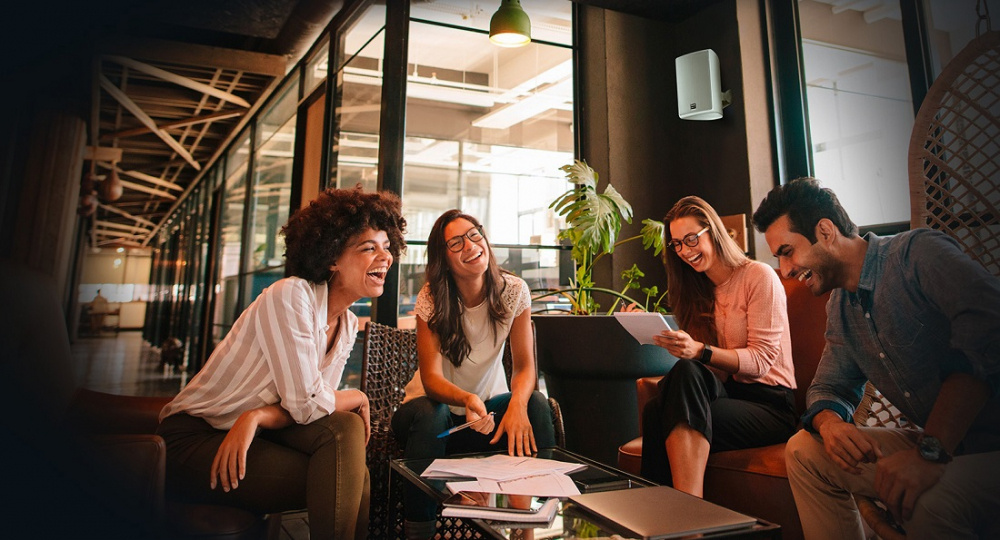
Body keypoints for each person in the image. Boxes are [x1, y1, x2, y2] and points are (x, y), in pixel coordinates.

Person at [752, 177, 1000, 540]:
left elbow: (989, 328)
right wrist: (831, 425)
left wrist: (929, 453)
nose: (786, 269)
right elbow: (828, 387)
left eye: (787, 251)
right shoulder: (841, 306)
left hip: (977, 447)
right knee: (804, 450)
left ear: (825, 231)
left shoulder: (916, 254)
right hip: (945, 446)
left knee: (924, 500)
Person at [157, 186, 407, 540]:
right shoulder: (290, 295)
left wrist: (256, 415)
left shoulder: (348, 324)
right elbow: (308, 404)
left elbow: (313, 409)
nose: (385, 257)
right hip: (195, 439)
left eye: (387, 246)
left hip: (256, 432)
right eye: (369, 247)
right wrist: (358, 397)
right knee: (346, 473)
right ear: (333, 257)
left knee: (345, 437)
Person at [390, 209, 556, 540]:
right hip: (430, 423)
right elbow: (431, 380)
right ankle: (418, 531)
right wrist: (466, 398)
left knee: (536, 404)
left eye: (474, 234)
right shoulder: (433, 299)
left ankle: (529, 525)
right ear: (443, 259)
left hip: (481, 419)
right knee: (431, 411)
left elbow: (524, 366)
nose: (471, 245)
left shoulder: (514, 291)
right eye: (456, 243)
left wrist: (518, 405)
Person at [635, 196, 798, 497]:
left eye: (691, 239)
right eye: (676, 245)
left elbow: (761, 361)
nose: (685, 251)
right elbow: (710, 373)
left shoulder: (758, 277)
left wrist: (699, 350)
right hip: (729, 395)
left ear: (713, 231)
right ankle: (665, 520)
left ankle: (687, 514)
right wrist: (669, 338)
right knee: (667, 397)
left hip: (772, 406)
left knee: (664, 408)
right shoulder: (696, 291)